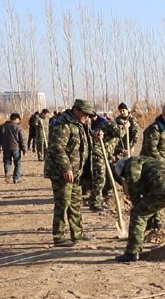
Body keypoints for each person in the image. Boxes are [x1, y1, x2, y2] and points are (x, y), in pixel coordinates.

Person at [44, 99, 94, 247]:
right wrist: (66, 168)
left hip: (77, 172)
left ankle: (77, 233)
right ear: (76, 110)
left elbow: (84, 141)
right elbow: (57, 147)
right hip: (61, 173)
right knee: (63, 203)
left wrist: (95, 136)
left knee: (75, 203)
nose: (87, 117)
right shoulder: (63, 124)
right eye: (85, 113)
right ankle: (58, 236)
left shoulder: (80, 124)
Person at [140, 104, 165, 229]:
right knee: (153, 192)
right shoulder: (154, 129)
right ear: (163, 115)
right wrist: (163, 164)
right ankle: (154, 221)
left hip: (162, 164)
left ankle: (155, 220)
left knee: (160, 190)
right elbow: (151, 149)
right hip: (150, 164)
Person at [87, 113, 121, 211]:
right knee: (99, 179)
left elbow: (112, 144)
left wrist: (116, 153)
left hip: (106, 155)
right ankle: (95, 202)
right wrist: (125, 128)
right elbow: (119, 133)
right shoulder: (111, 124)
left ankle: (103, 199)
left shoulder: (112, 125)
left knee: (108, 177)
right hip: (99, 154)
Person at [0, 113, 26, 184]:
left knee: (7, 162)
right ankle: (16, 178)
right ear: (15, 119)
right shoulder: (18, 127)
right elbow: (21, 139)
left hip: (6, 148)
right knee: (17, 163)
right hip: (16, 148)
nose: (19, 121)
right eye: (18, 119)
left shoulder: (2, 126)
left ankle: (7, 174)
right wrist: (24, 149)